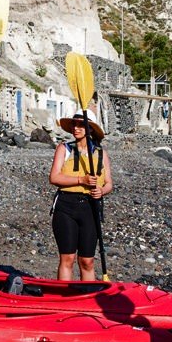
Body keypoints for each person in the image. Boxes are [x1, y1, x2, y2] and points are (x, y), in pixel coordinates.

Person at [48, 111, 112, 280]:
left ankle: (86, 298)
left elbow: (109, 183)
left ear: (90, 129)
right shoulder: (64, 149)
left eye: (81, 125)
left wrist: (101, 191)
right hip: (65, 206)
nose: (76, 128)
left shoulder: (101, 154)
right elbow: (54, 177)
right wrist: (81, 180)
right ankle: (64, 298)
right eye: (74, 125)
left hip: (90, 208)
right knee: (67, 258)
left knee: (87, 261)